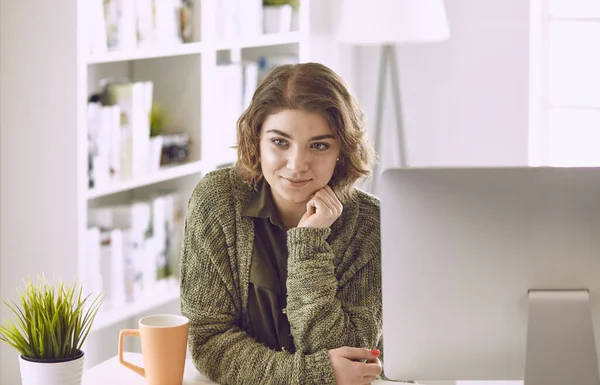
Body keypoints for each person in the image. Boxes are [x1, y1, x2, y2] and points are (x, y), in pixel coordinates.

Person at [180, 62, 383, 385]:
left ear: (342, 151)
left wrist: (309, 246)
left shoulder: (371, 224)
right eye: (280, 142)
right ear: (256, 139)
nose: (296, 164)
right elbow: (208, 340)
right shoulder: (217, 200)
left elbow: (352, 357)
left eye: (319, 145)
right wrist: (311, 375)